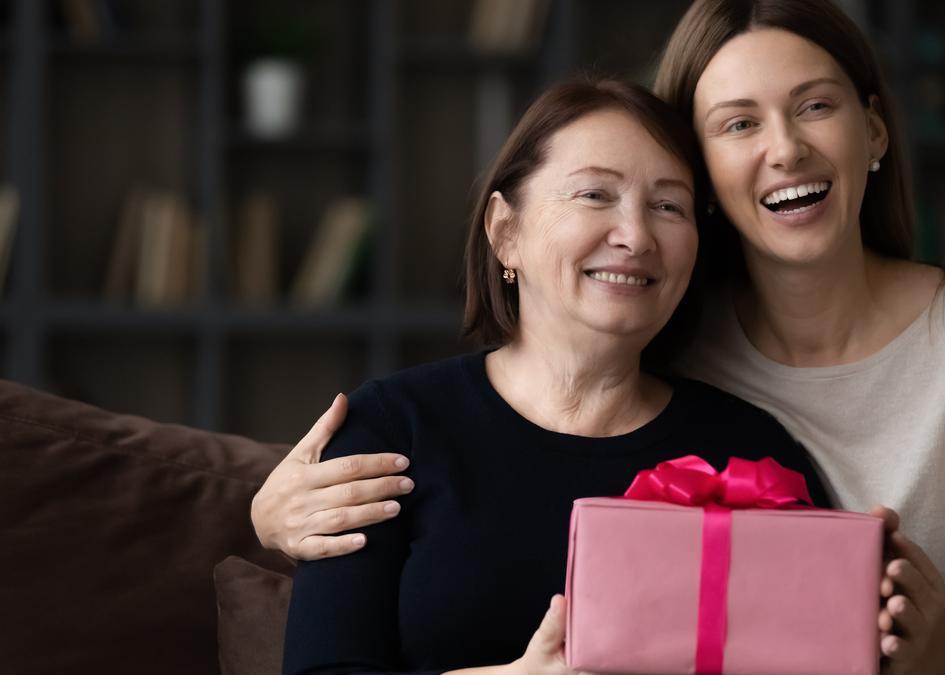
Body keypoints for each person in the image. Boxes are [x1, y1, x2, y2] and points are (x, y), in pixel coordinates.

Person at [258, 1, 945, 673]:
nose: (786, 147)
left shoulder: (750, 435)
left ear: (873, 130)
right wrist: (257, 511)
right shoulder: (406, 425)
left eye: (665, 203)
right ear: (503, 234)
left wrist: (939, 634)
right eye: (737, 124)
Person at [281, 79, 830, 674]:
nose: (637, 235)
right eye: (595, 194)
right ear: (504, 232)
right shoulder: (391, 431)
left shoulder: (750, 454)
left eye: (669, 206)